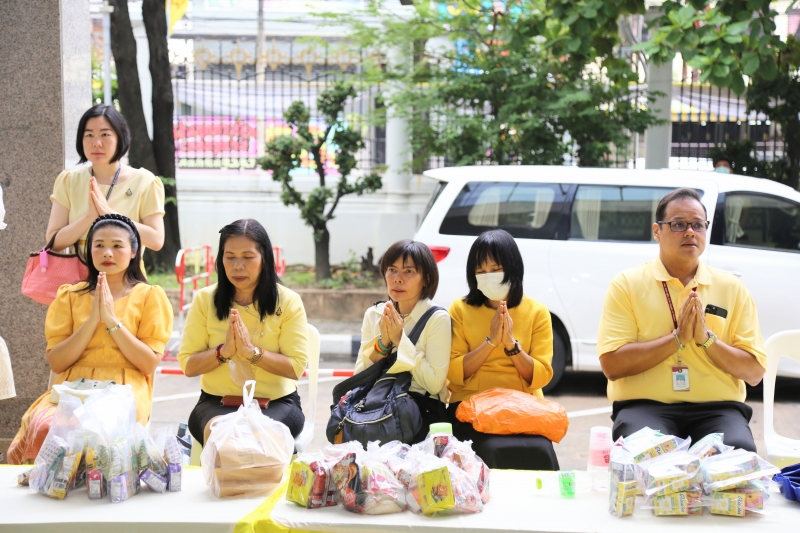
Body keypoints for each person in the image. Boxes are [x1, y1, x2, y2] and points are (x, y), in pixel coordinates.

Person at [597, 188, 766, 452]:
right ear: (657, 231)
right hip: (645, 406)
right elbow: (612, 365)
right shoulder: (627, 284)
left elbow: (754, 373)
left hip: (718, 409)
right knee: (647, 454)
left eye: (698, 225)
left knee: (735, 454)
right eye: (678, 224)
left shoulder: (731, 287)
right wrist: (676, 340)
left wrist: (706, 340)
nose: (690, 232)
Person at [7, 214, 173, 464]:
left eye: (117, 245)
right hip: (73, 387)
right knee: (45, 426)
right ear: (89, 251)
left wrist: (111, 320)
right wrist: (93, 320)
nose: (107, 252)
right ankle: (49, 483)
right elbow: (57, 362)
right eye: (99, 245)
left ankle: (97, 484)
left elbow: (148, 363)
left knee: (96, 428)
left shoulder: (150, 296)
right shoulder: (70, 295)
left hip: (125, 389)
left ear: (133, 252)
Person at [178, 219, 308, 446]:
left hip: (276, 402)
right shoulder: (205, 300)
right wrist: (223, 352)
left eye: (248, 257)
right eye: (230, 257)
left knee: (257, 439)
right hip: (216, 402)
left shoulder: (288, 301)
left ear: (264, 258)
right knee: (225, 438)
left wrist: (252, 353)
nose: (238, 266)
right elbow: (189, 365)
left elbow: (296, 367)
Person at [446, 229, 559, 470]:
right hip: (471, 405)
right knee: (490, 448)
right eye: (480, 271)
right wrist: (490, 342)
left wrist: (510, 346)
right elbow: (453, 373)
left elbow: (541, 375)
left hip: (521, 406)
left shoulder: (537, 312)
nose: (488, 276)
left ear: (513, 268)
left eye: (496, 269)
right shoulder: (460, 309)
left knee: (541, 450)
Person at [354, 240, 451, 443]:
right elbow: (360, 378)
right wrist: (383, 343)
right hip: (375, 409)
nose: (397, 279)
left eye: (409, 271)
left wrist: (400, 340)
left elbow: (434, 384)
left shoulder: (437, 318)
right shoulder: (374, 314)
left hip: (419, 412)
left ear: (426, 279)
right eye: (392, 270)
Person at [46, 104, 165, 260]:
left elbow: (156, 240)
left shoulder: (144, 182)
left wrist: (110, 215)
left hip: (127, 275)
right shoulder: (69, 181)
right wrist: (89, 217)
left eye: (105, 134)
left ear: (120, 138)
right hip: (80, 274)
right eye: (89, 135)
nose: (96, 143)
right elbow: (53, 242)